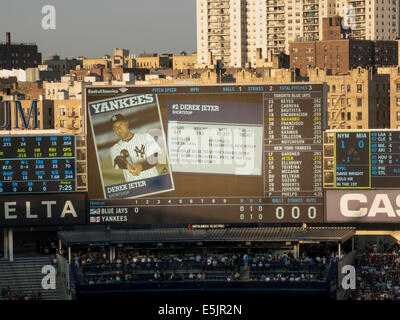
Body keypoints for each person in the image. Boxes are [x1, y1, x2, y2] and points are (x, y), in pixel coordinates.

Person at [110, 114, 161, 182]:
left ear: (126, 124)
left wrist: (140, 167)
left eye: (120, 125)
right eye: (115, 127)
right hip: (134, 186)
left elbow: (154, 158)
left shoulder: (145, 137)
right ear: (114, 130)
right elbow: (118, 161)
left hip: (153, 181)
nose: (119, 129)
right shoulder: (114, 148)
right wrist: (127, 165)